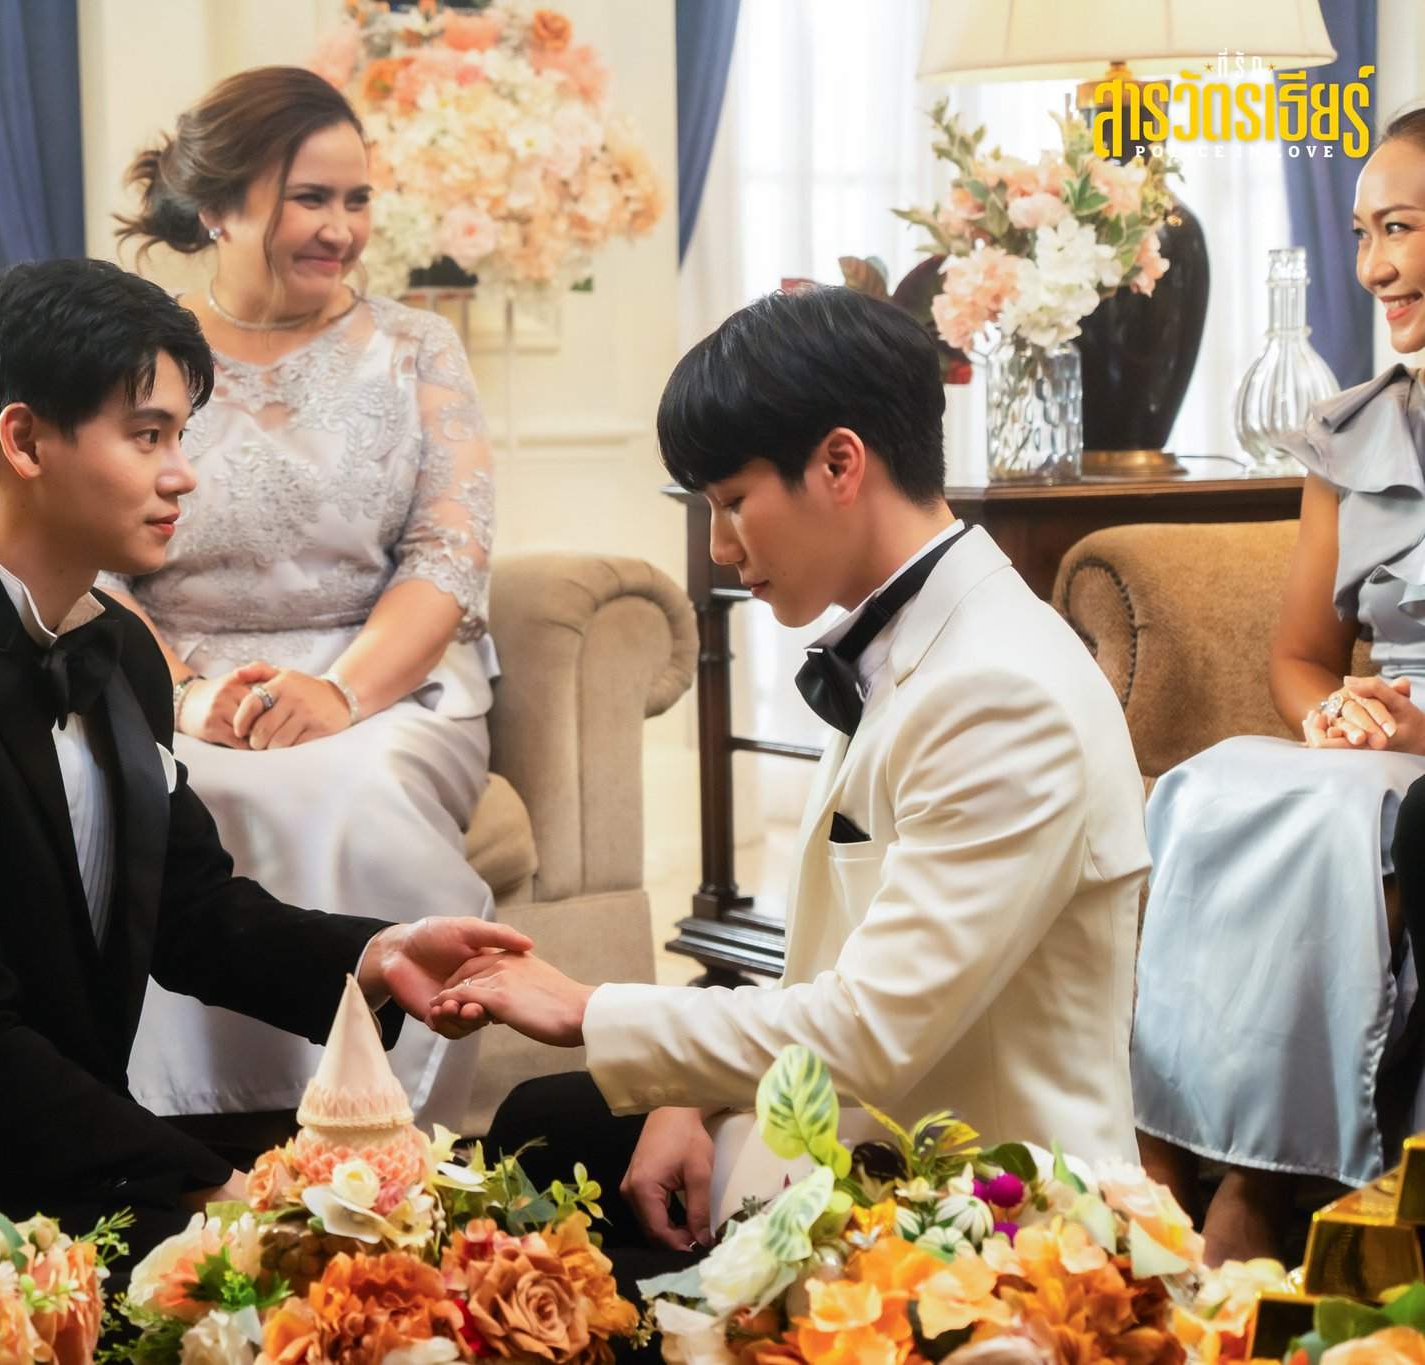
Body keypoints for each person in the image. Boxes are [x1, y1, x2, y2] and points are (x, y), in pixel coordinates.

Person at [0, 257, 527, 1264]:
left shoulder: (120, 650)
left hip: (79, 1183)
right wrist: (217, 1188)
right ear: (22, 440)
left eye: (180, 435)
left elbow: (191, 909)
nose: (183, 474)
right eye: (146, 436)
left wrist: (377, 955)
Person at [425, 286, 1150, 1268]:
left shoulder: (999, 692)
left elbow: (869, 1031)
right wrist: (689, 1092)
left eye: (732, 502)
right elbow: (838, 960)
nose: (719, 548)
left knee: (538, 1190)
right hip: (852, 1131)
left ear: (840, 464)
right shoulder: (921, 638)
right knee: (542, 1130)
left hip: (977, 1214)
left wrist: (585, 1008)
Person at [106, 66, 498, 1134]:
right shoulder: (136, 351)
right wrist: (183, 694)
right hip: (182, 678)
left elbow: (448, 554)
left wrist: (337, 695)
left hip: (388, 679)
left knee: (353, 790)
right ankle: (203, 1130)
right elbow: (96, 564)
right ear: (217, 207)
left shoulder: (418, 348)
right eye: (309, 199)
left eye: (356, 198)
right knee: (184, 796)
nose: (341, 229)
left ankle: (384, 1126)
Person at [1128, 109, 1425, 1264]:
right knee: (1209, 785)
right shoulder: (1350, 436)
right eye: (1359, 233)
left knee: (1341, 819)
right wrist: (1331, 712)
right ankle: (1156, 1160)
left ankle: (1252, 1189)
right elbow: (1299, 655)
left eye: (1398, 228)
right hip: (1374, 743)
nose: (1372, 268)